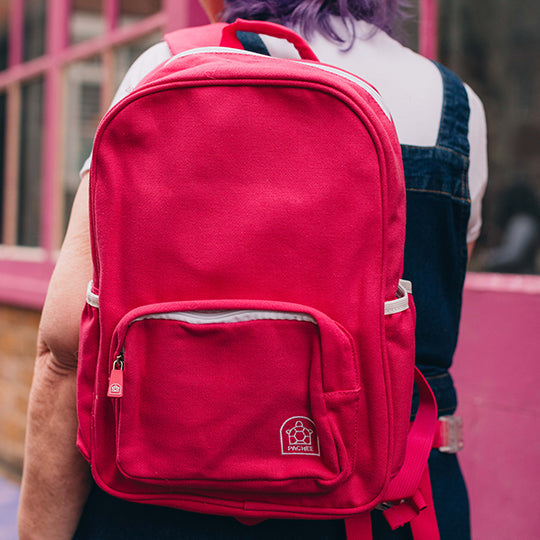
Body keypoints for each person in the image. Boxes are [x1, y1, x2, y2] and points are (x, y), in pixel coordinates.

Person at [18, 1, 488, 539]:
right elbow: (427, 313)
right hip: (385, 496)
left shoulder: (169, 69)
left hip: (169, 492)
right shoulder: (458, 105)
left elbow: (64, 344)